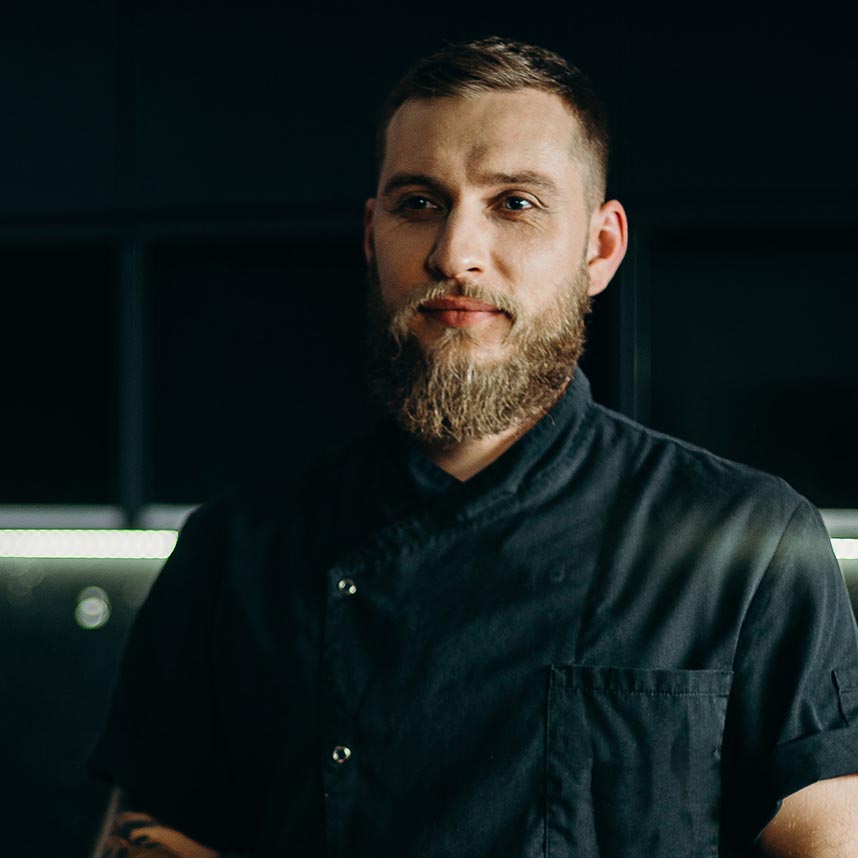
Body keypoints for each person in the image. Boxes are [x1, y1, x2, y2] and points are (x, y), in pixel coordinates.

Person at [88, 37, 858, 857]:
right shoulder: (233, 551)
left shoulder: (750, 542)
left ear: (599, 248)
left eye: (515, 203)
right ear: (371, 231)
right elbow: (147, 836)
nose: (455, 252)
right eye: (418, 202)